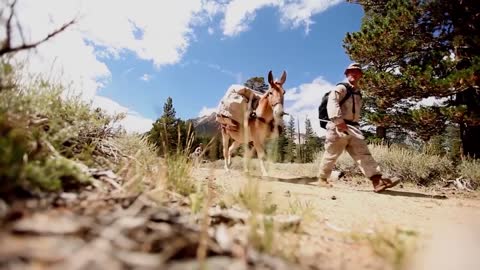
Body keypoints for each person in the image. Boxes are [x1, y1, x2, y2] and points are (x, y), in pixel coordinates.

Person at [317, 63, 400, 192]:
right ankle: (322, 179)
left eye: (356, 72)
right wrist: (338, 121)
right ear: (346, 74)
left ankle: (377, 182)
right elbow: (332, 102)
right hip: (337, 127)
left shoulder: (358, 93)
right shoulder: (341, 88)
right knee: (331, 154)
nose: (354, 74)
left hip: (353, 128)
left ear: (360, 75)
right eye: (351, 72)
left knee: (364, 154)